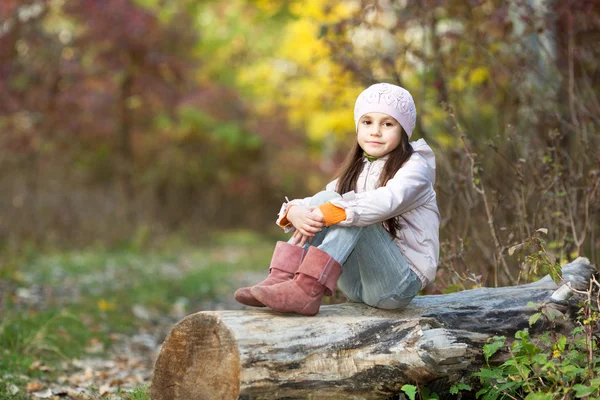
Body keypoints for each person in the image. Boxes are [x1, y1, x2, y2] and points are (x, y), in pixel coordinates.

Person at [234, 83, 440, 316]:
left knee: (350, 212)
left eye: (388, 124)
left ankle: (306, 289)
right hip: (356, 285)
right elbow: (322, 200)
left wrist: (331, 211)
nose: (375, 131)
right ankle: (280, 277)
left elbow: (386, 201)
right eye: (367, 122)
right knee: (329, 198)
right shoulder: (359, 168)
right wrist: (293, 211)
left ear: (403, 130)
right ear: (358, 127)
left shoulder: (415, 168)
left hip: (396, 285)